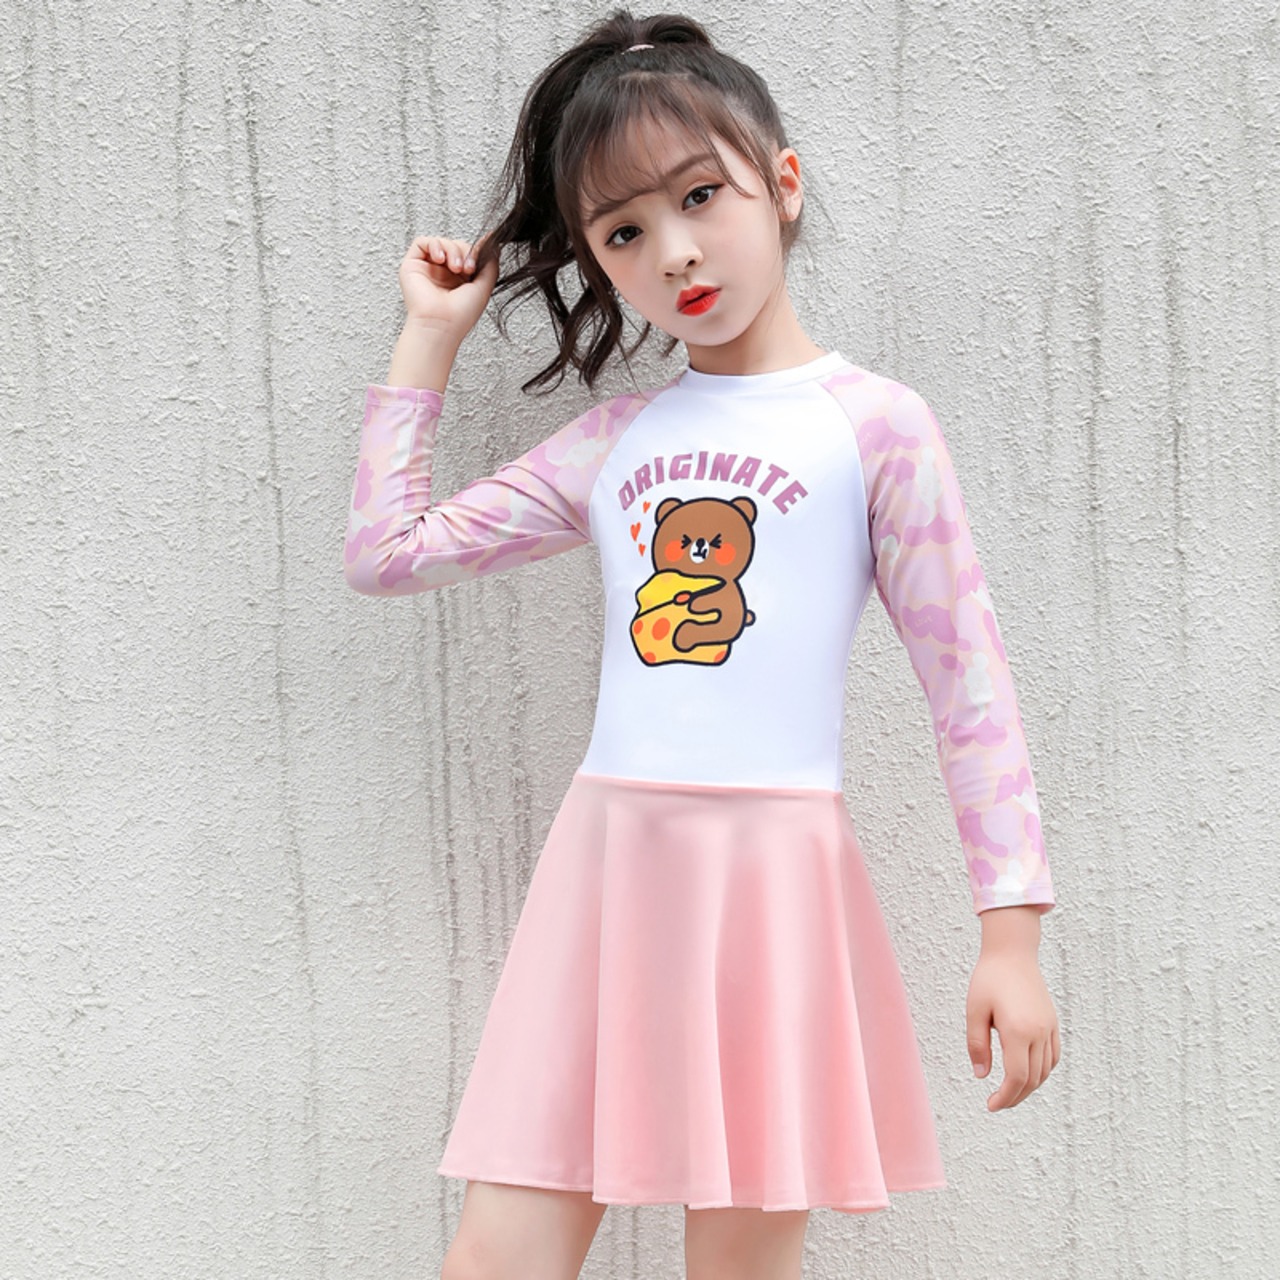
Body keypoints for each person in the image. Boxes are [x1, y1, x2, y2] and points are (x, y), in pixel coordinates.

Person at [343, 9, 1060, 1278]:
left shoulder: (875, 426)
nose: (673, 251)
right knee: (494, 1257)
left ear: (780, 183)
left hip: (772, 881)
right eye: (622, 232)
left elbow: (969, 686)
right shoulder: (613, 442)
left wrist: (1010, 931)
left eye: (697, 196)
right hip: (607, 870)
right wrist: (428, 338)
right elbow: (387, 551)